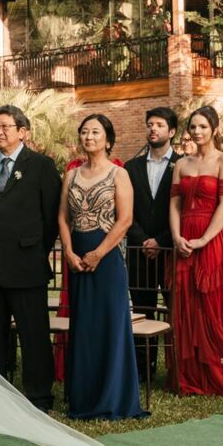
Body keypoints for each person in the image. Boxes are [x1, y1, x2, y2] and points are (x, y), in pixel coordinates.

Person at [0, 104, 64, 409]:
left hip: (27, 265)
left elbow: (51, 216)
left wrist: (36, 249)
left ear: (23, 131)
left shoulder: (40, 166)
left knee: (33, 333)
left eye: (5, 126)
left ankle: (39, 396)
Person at [60, 115, 145, 420]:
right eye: (84, 131)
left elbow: (125, 220)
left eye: (95, 132)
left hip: (106, 260)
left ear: (108, 139)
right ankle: (83, 398)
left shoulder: (118, 174)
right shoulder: (71, 175)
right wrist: (68, 251)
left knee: (109, 325)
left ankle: (113, 397)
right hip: (78, 258)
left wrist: (98, 253)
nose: (89, 136)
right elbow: (62, 218)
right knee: (83, 327)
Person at [170, 105, 223, 396]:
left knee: (216, 306)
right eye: (193, 126)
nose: (197, 131)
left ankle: (222, 372)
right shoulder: (182, 163)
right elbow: (175, 204)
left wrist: (204, 240)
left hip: (213, 237)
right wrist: (177, 236)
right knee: (188, 305)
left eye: (203, 126)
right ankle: (192, 374)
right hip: (185, 237)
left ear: (214, 129)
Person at [123, 106, 180, 323]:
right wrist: (143, 240)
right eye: (149, 125)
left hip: (170, 252)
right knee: (141, 316)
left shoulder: (182, 165)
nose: (153, 129)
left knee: (175, 315)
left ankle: (174, 357)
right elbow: (124, 208)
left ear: (172, 132)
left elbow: (183, 210)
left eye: (159, 125)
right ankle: (144, 359)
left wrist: (161, 241)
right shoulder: (131, 167)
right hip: (139, 251)